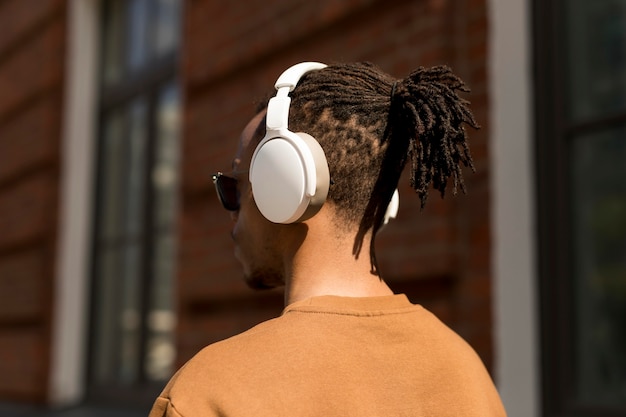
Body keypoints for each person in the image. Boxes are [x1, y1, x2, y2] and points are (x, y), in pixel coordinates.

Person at [148, 62, 507, 417]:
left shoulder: (209, 391)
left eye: (233, 187)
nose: (231, 210)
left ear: (284, 184)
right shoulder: (466, 371)